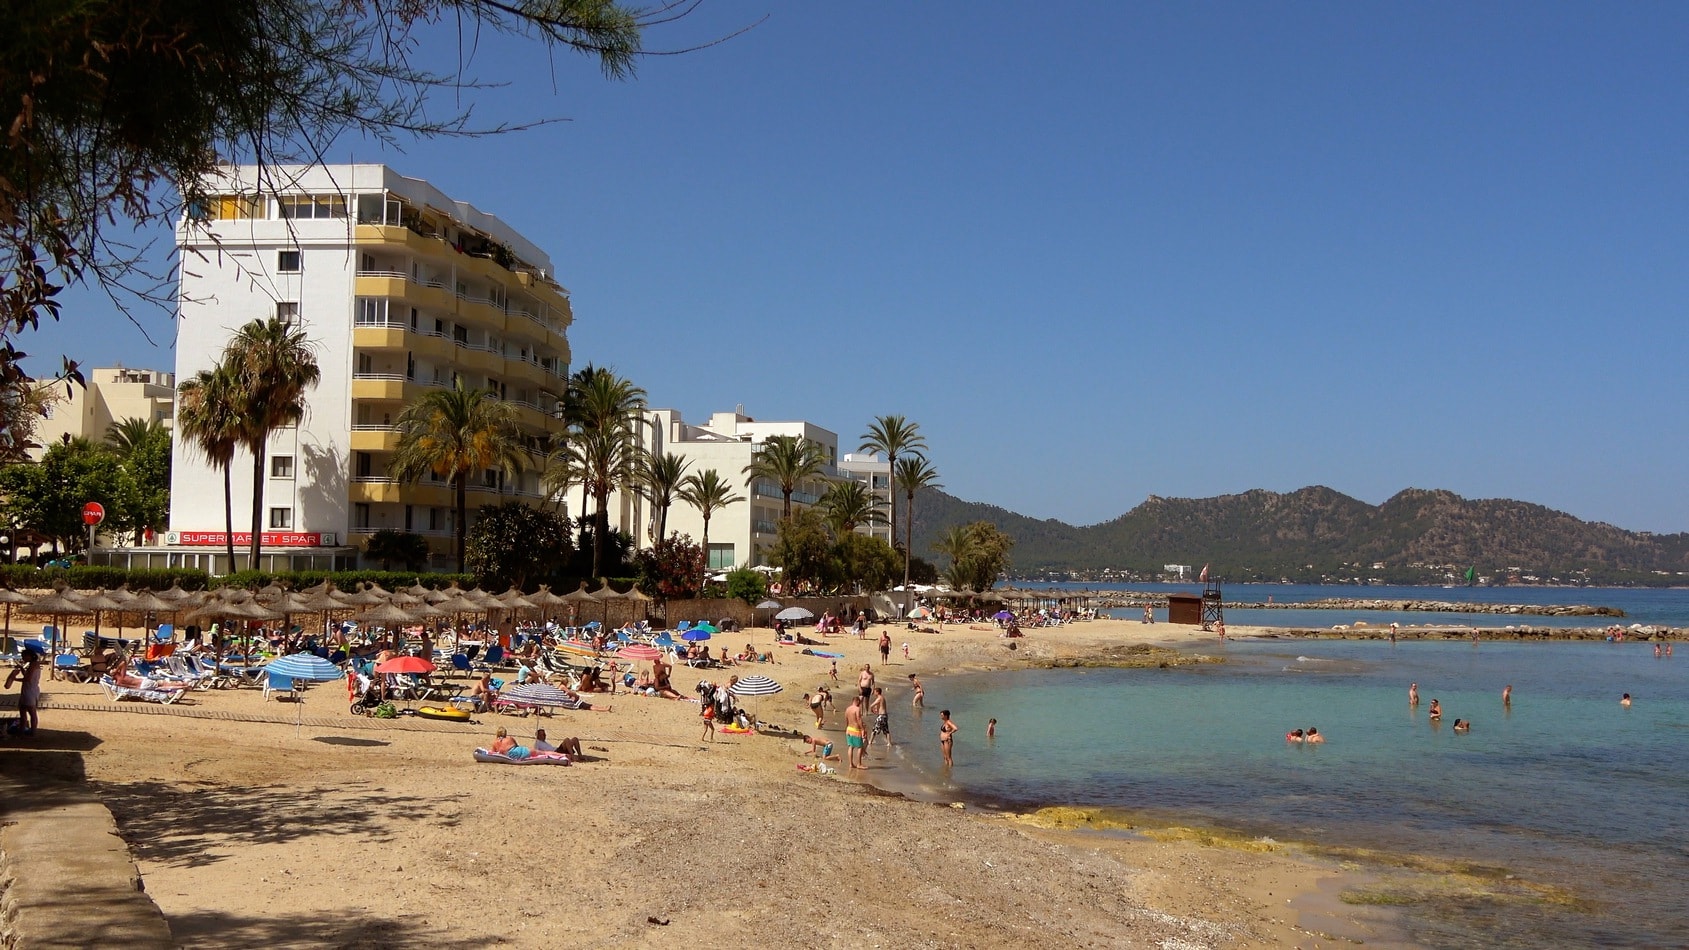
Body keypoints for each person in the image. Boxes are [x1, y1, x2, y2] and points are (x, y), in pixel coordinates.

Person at [6, 647, 42, 735]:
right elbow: (28, 676)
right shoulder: (34, 664)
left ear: (29, 656)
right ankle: (24, 731)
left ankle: (31, 731)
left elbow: (27, 679)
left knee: (30, 712)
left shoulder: (33, 665)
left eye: (24, 656)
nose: (23, 658)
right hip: (31, 689)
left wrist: (14, 679)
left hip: (29, 690)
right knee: (25, 710)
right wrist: (22, 669)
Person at [844, 695, 866, 770]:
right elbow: (859, 719)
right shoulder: (857, 709)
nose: (860, 704)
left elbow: (846, 719)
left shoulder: (848, 709)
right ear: (857, 701)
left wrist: (847, 728)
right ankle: (859, 764)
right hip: (856, 730)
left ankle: (851, 764)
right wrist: (862, 729)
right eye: (859, 702)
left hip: (849, 729)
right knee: (860, 747)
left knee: (851, 746)